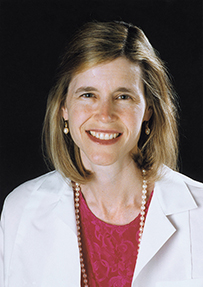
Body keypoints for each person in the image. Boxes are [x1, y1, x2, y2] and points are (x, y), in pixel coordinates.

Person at [0, 21, 203, 287]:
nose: (105, 115)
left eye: (123, 97)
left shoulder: (199, 214)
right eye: (88, 95)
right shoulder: (20, 210)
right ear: (63, 107)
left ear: (149, 110)